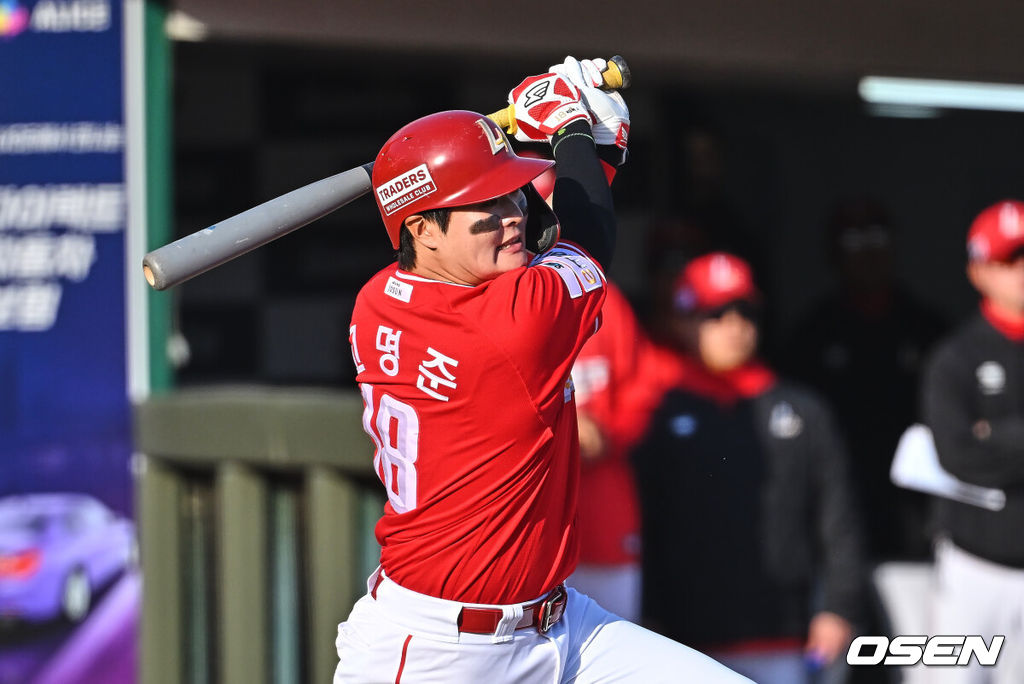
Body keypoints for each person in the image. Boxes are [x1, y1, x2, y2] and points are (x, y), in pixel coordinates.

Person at [335, 57, 750, 683]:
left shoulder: (379, 297)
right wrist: (573, 135)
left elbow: (562, 239)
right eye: (484, 206)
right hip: (442, 655)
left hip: (560, 624)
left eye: (512, 194)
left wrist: (588, 156)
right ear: (421, 229)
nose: (512, 216)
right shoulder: (506, 326)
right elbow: (588, 240)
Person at [630, 252, 866, 684]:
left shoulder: (803, 410)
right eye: (716, 314)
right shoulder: (659, 415)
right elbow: (649, 526)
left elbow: (838, 518)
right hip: (687, 642)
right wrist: (649, 617)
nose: (735, 325)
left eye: (745, 311)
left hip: (785, 633)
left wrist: (839, 607)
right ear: (684, 321)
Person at [778, 196, 946, 563]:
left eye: (877, 237)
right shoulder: (812, 336)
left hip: (912, 515)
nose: (869, 251)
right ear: (834, 253)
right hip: (836, 510)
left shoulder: (927, 330)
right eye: (854, 240)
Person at [920, 199, 1024, 683]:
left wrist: (997, 434)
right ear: (979, 271)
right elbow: (958, 453)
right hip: (974, 568)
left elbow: (983, 447)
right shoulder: (955, 356)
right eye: (1010, 259)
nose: (1023, 270)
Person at [569, 280, 648, 622]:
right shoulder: (493, 294)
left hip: (603, 520)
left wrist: (606, 433)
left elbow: (643, 392)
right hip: (528, 528)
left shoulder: (601, 296)